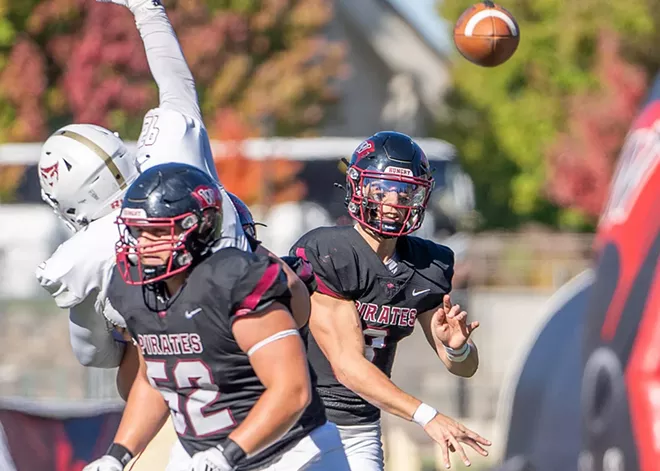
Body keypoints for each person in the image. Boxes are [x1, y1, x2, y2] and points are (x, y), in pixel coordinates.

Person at [35, 0, 250, 393]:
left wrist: (119, 322)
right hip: (257, 330)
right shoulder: (174, 154)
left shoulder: (85, 252)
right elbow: (176, 83)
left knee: (133, 339)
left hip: (183, 388)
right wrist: (147, 11)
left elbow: (93, 355)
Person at [83, 163, 349, 471]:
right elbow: (153, 379)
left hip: (291, 454)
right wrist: (117, 456)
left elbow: (292, 390)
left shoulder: (232, 281)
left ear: (201, 226)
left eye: (157, 231)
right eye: (137, 231)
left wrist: (227, 455)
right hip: (202, 454)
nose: (143, 244)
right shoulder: (135, 290)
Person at [290, 131, 492, 470]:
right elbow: (348, 367)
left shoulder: (429, 264)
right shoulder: (331, 252)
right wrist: (427, 416)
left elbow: (463, 367)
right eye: (382, 189)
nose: (393, 202)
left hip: (361, 425)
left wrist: (456, 347)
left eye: (405, 191)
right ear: (358, 187)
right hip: (302, 419)